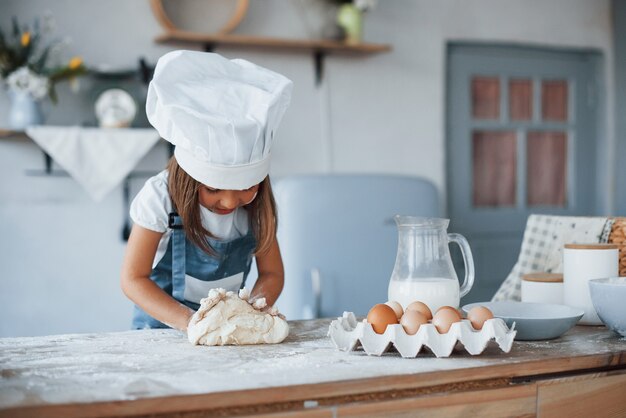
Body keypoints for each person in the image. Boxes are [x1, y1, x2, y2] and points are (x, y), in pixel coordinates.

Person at [120, 50, 293, 331]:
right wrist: (191, 323)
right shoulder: (160, 198)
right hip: (160, 335)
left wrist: (251, 312)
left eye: (247, 186)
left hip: (226, 333)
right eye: (214, 188)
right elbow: (132, 279)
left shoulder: (258, 208)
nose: (230, 200)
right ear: (189, 178)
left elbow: (272, 273)